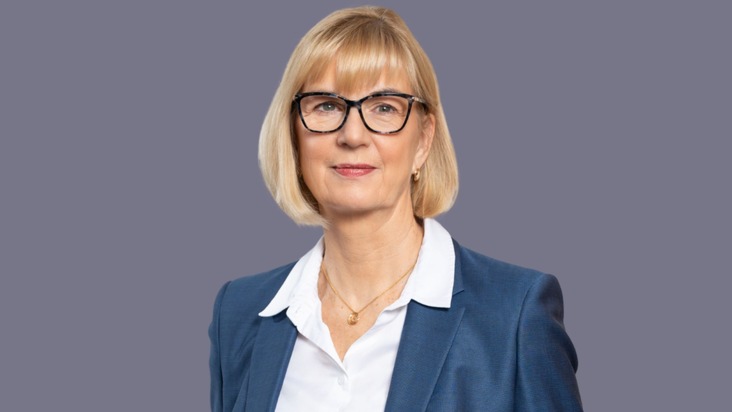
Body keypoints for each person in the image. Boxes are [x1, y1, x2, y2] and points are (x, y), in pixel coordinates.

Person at [209, 6, 582, 412]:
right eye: (327, 106)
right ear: (294, 134)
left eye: (384, 107)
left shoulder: (513, 313)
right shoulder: (240, 312)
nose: (353, 135)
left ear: (423, 140)